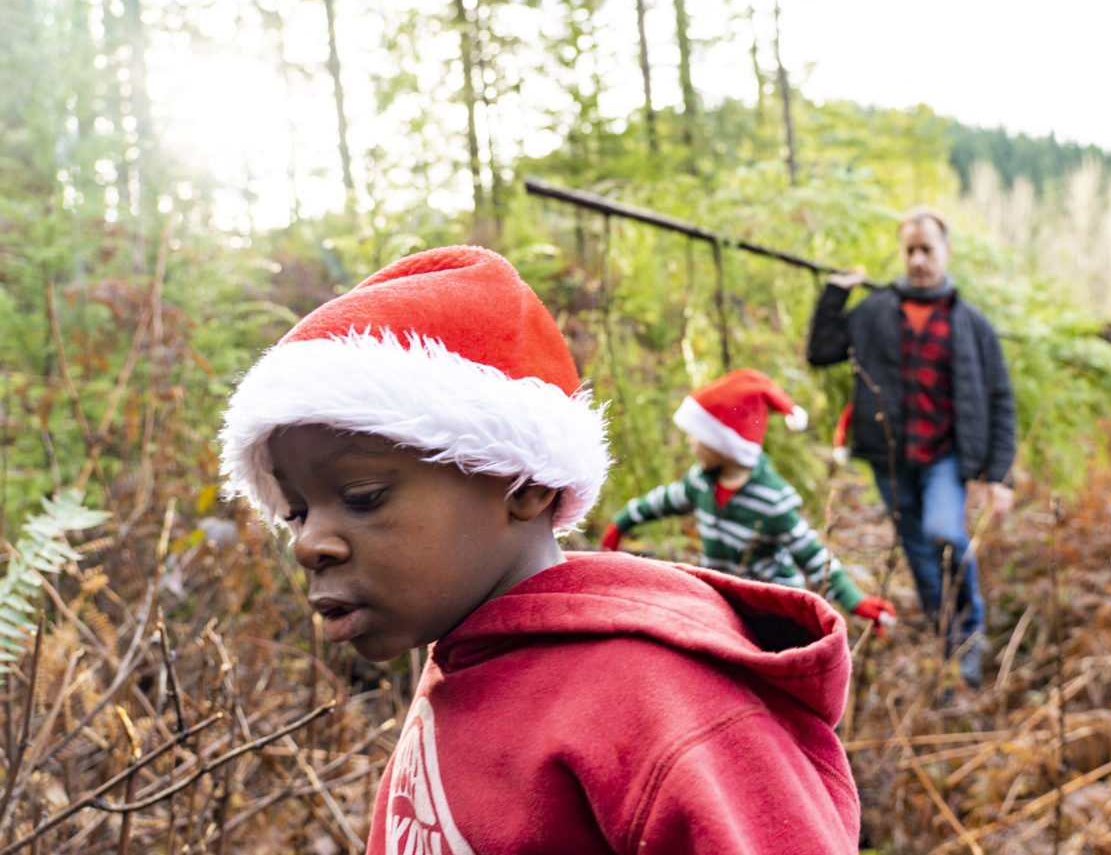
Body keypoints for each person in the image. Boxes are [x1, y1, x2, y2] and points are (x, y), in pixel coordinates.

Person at [220, 247, 860, 854]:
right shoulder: (468, 650)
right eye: (296, 511)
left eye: (361, 496)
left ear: (525, 482)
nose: (307, 543)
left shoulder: (659, 706)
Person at [806, 206, 1016, 688]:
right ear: (902, 253)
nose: (919, 259)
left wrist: (999, 475)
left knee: (946, 531)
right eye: (911, 250)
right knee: (919, 550)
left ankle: (971, 629)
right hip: (889, 457)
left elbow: (1000, 398)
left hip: (945, 456)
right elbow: (821, 352)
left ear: (946, 252)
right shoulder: (875, 311)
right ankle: (948, 639)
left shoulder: (972, 324)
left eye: (928, 249)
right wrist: (835, 293)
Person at [600, 368, 897, 633]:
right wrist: (622, 522)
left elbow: (812, 555)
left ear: (725, 443)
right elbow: (663, 501)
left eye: (698, 436)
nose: (690, 443)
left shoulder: (772, 501)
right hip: (725, 600)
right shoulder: (701, 482)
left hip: (774, 608)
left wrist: (854, 599)